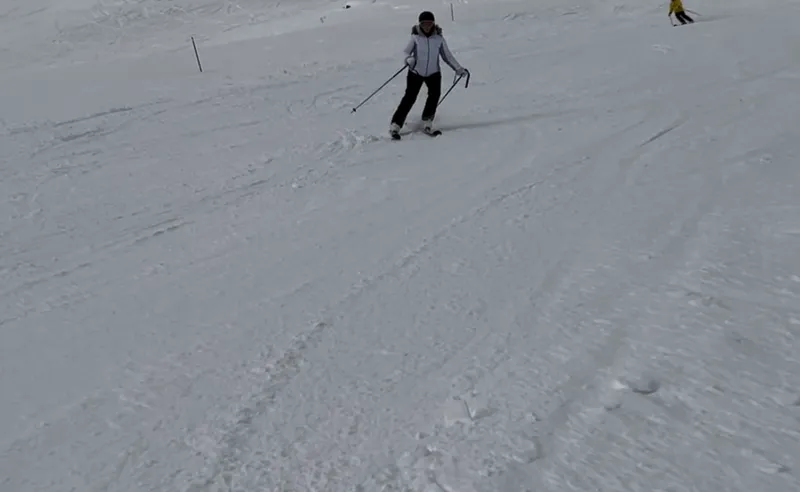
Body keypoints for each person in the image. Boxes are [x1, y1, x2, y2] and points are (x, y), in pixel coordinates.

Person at [389, 11, 468, 138]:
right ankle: (396, 125)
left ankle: (427, 121)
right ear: (420, 24)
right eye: (424, 23)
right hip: (416, 72)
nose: (427, 26)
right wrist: (408, 59)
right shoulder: (415, 38)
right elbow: (405, 52)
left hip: (434, 73)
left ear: (433, 24)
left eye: (429, 23)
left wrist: (458, 69)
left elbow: (447, 56)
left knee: (434, 96)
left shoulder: (439, 39)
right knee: (409, 98)